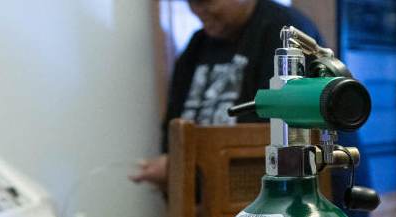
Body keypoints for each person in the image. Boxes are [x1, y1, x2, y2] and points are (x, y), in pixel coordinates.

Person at [130, 0, 323, 188]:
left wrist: (185, 168)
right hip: (206, 202)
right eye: (192, 2)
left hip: (269, 197)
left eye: (206, 2)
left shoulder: (285, 33)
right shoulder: (198, 44)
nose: (198, 10)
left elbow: (280, 133)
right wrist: (175, 167)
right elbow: (172, 123)